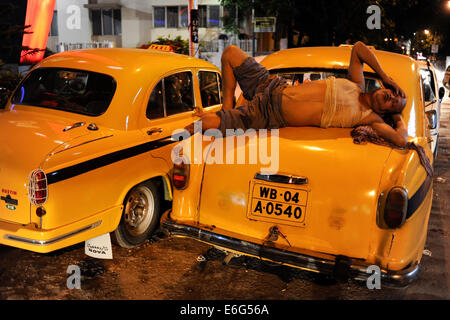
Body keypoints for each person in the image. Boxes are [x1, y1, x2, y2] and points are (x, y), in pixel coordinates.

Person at [189, 41, 408, 147]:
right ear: (386, 87)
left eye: (394, 103)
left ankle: (223, 119)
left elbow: (400, 139)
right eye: (393, 93)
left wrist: (398, 116)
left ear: (387, 114)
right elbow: (359, 48)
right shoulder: (356, 83)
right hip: (272, 85)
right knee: (230, 53)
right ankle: (227, 110)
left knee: (201, 123)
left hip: (268, 113)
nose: (391, 98)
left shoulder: (370, 118)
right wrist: (385, 76)